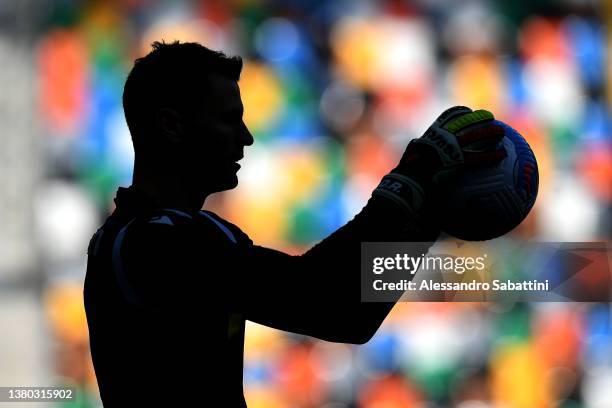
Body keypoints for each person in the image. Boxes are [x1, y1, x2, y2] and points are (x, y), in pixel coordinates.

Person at [83, 41, 506, 406]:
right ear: (172, 126)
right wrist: (410, 183)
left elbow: (352, 318)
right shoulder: (158, 242)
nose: (246, 137)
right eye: (229, 119)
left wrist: (428, 214)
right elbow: (326, 303)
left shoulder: (128, 238)